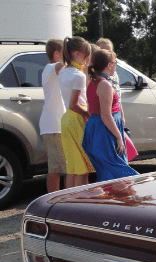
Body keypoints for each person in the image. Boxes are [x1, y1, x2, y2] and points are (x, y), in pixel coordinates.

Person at [82, 49, 138, 182]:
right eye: (114, 63)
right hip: (106, 130)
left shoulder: (94, 82)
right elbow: (106, 115)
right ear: (108, 65)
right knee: (119, 169)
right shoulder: (104, 85)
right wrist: (119, 137)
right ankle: (137, 190)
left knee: (107, 171)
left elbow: (93, 110)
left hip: (99, 127)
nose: (115, 66)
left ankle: (113, 194)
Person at [58, 36, 94, 188]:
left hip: (66, 119)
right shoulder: (78, 75)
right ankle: (82, 199)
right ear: (78, 53)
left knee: (72, 167)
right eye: (86, 55)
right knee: (83, 167)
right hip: (77, 119)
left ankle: (70, 199)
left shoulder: (63, 71)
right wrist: (88, 115)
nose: (87, 59)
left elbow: (70, 105)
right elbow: (75, 104)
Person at [96, 37, 137, 161]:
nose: (107, 54)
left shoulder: (115, 75)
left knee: (121, 151)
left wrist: (122, 114)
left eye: (110, 51)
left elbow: (118, 97)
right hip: (106, 117)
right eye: (104, 51)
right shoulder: (98, 78)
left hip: (116, 114)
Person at [39, 39, 66, 193]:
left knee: (59, 167)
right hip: (54, 126)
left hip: (57, 125)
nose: (67, 56)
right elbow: (60, 66)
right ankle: (53, 199)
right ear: (56, 53)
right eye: (65, 52)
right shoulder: (50, 68)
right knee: (57, 168)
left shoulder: (56, 71)